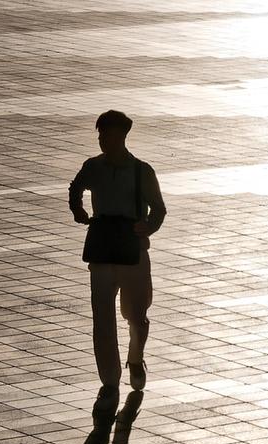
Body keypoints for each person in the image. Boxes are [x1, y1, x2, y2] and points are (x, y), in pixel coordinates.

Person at [69, 110, 167, 393]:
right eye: (100, 136)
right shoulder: (93, 166)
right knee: (102, 315)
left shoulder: (141, 171)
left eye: (108, 135)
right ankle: (109, 378)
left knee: (136, 314)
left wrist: (147, 227)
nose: (103, 141)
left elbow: (159, 209)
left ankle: (135, 357)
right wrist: (78, 209)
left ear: (123, 136)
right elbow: (76, 188)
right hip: (101, 247)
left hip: (132, 250)